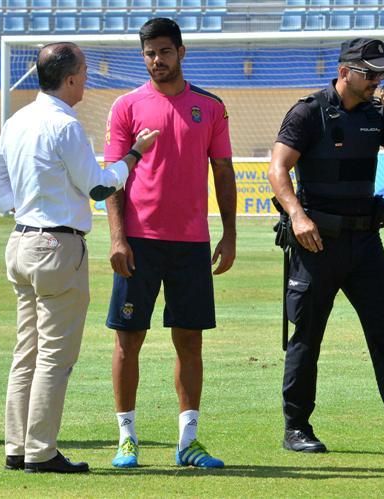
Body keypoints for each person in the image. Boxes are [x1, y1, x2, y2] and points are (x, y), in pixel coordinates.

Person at [0, 42, 159, 474]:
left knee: (27, 351)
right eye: (83, 72)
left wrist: (16, 207)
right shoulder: (65, 125)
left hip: (22, 240)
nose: (87, 80)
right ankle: (40, 451)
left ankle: (17, 446)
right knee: (54, 356)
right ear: (73, 77)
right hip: (57, 245)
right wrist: (134, 155)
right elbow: (98, 187)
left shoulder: (19, 118)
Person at [268, 38, 384, 457]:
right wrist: (297, 214)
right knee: (307, 337)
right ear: (345, 71)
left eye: (382, 74)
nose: (377, 82)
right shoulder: (309, 111)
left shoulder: (379, 115)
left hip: (366, 243)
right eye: (370, 73)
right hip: (316, 244)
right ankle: (296, 428)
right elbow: (277, 169)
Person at [104, 18, 236, 469]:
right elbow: (113, 179)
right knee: (128, 340)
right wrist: (118, 238)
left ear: (181, 52)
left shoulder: (210, 106)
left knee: (190, 341)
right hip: (139, 242)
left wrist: (230, 233)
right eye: (148, 53)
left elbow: (222, 171)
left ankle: (188, 442)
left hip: (192, 244)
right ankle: (127, 439)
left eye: (163, 51)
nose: (156, 60)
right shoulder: (126, 106)